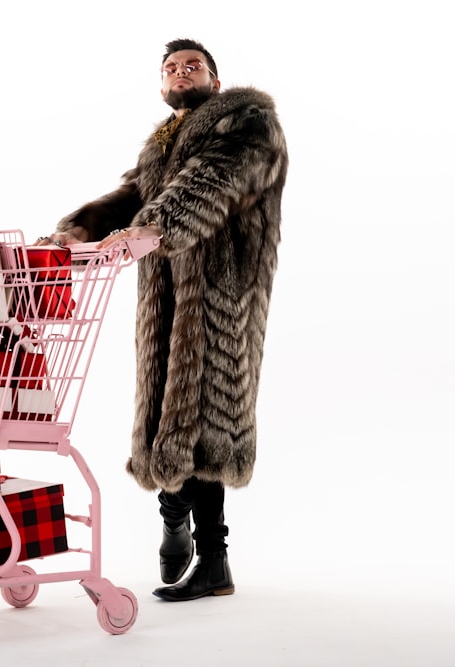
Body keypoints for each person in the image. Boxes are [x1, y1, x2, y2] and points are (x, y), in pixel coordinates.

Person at [35, 38, 288, 601]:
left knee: (206, 420)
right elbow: (136, 193)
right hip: (166, 293)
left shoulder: (250, 123)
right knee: (165, 412)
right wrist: (81, 228)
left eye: (192, 65)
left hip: (223, 295)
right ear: (161, 85)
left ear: (215, 81)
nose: (180, 72)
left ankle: (214, 557)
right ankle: (173, 510)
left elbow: (212, 182)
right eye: (170, 68)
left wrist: (154, 228)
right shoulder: (164, 144)